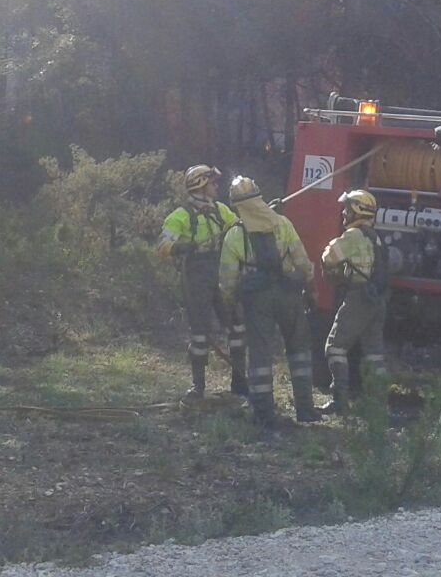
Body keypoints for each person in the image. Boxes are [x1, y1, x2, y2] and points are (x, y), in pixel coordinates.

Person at [219, 175, 319, 425]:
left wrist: (230, 305)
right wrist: (311, 290)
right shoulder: (283, 223)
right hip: (289, 294)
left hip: (257, 301)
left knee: (261, 355)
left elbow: (228, 279)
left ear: (236, 205)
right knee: (299, 352)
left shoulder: (235, 235)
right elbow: (303, 262)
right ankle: (306, 409)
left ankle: (264, 414)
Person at [156, 164, 247, 399]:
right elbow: (163, 247)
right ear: (201, 185)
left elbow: (239, 227)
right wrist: (190, 246)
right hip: (196, 276)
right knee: (199, 333)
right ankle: (198, 387)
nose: (217, 187)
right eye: (213, 183)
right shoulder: (179, 216)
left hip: (223, 271)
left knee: (237, 327)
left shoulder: (222, 210)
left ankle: (239, 384)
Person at [316, 189, 389, 416]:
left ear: (357, 210)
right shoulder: (375, 237)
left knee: (335, 347)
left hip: (358, 297)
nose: (344, 214)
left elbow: (329, 257)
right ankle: (378, 404)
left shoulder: (354, 235)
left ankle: (339, 401)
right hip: (377, 300)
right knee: (374, 353)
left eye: (347, 208)